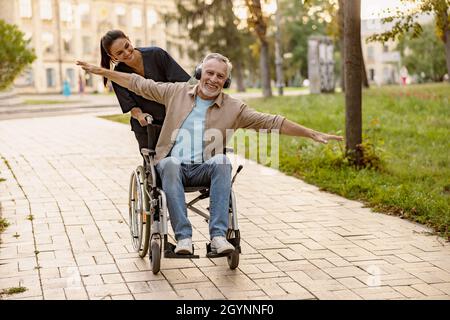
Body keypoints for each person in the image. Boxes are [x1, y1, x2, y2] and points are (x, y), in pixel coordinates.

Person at [76, 53, 343, 255]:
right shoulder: (176, 92)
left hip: (204, 167)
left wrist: (310, 133)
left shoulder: (235, 108)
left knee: (222, 161)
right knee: (168, 164)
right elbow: (138, 84)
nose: (213, 79)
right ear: (200, 72)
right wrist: (102, 71)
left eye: (220, 76)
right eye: (210, 73)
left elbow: (272, 121)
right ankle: (183, 238)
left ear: (225, 81)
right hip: (172, 167)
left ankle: (218, 237)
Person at [99, 30, 191, 152]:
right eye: (120, 53)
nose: (127, 53)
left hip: (174, 120)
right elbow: (130, 106)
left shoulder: (157, 55)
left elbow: (184, 85)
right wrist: (140, 115)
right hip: (147, 127)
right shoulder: (118, 75)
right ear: (112, 57)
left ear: (129, 39)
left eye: (127, 46)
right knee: (154, 165)